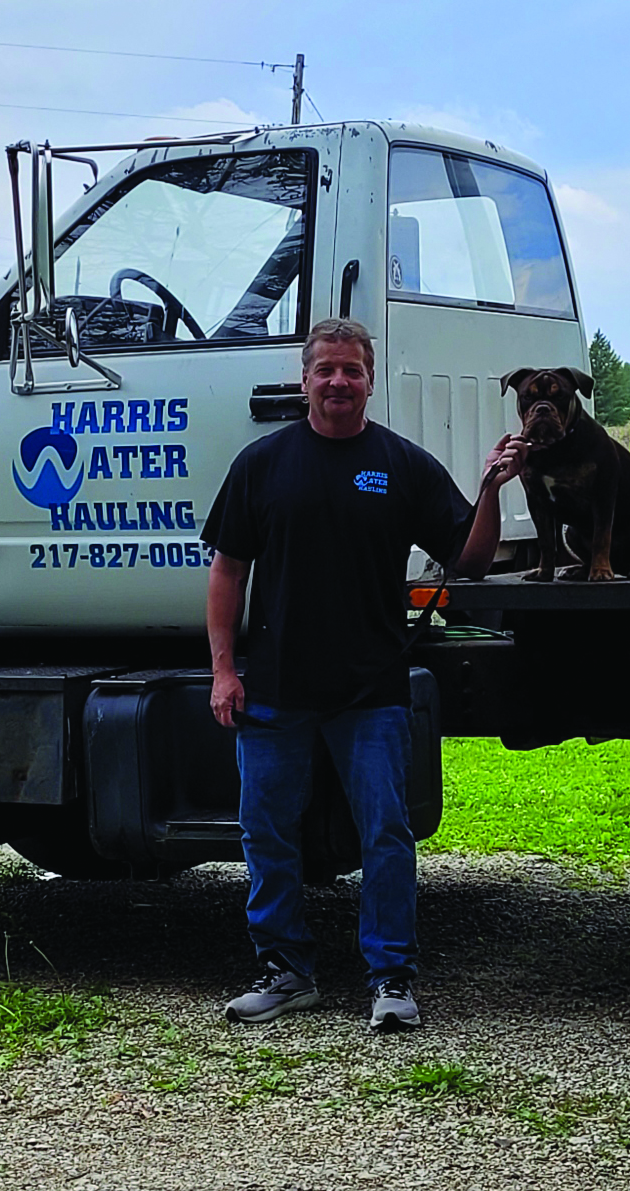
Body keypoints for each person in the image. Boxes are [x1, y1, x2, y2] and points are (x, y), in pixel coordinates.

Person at [203, 318, 527, 1031]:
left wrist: (491, 490)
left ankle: (391, 978)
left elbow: (469, 560)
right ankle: (285, 972)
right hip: (275, 690)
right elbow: (227, 571)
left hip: (371, 692)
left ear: (370, 380)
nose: (338, 382)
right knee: (267, 833)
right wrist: (224, 670)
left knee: (385, 834)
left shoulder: (402, 465)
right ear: (304, 379)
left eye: (352, 370)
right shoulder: (261, 464)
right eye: (326, 369)